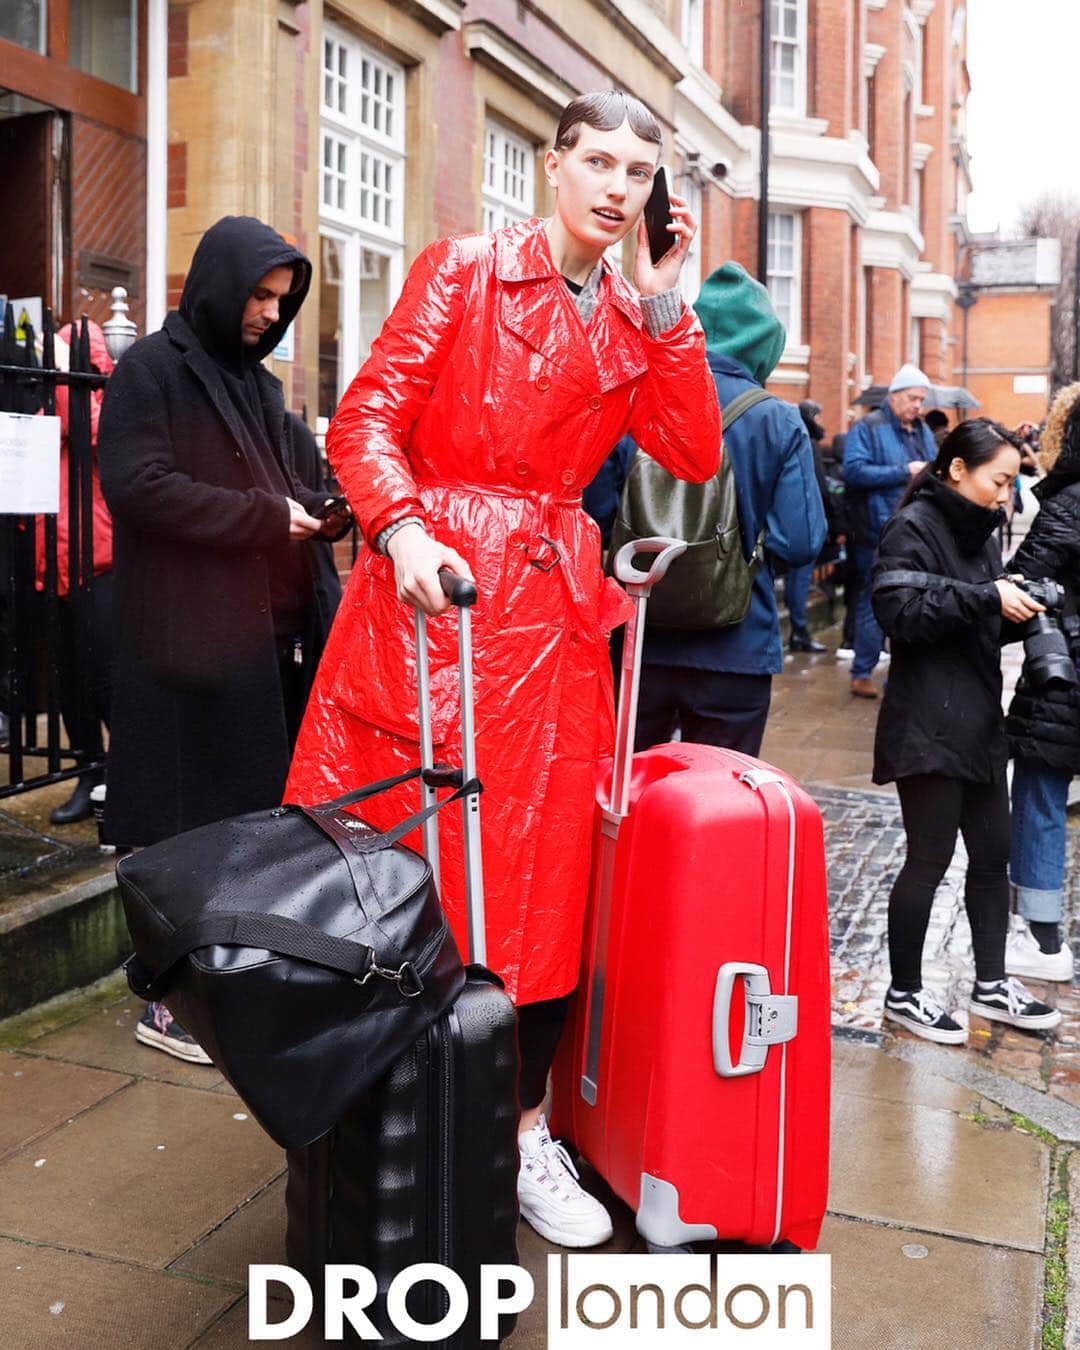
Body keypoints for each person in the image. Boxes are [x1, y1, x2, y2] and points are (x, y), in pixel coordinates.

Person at [284, 90, 721, 1249]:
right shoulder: (464, 270)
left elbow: (693, 446)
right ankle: (385, 1112)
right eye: (600, 163)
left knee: (546, 886)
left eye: (640, 171)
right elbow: (366, 415)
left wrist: (670, 308)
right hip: (436, 608)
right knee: (409, 867)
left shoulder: (635, 316)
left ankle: (524, 1131)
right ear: (553, 165)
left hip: (556, 612)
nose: (620, 189)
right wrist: (403, 526)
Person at [99, 216, 350, 1062]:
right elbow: (138, 487)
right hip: (176, 642)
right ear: (219, 281)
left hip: (255, 646)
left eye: (283, 301)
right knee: (176, 831)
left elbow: (296, 480)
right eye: (259, 295)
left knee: (239, 829)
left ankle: (217, 986)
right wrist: (260, 518)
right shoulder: (148, 371)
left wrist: (326, 506)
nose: (270, 315)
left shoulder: (261, 386)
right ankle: (165, 1000)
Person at [872, 419, 1062, 1043]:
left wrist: (1020, 609)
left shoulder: (981, 532)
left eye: (1011, 483)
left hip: (978, 716)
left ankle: (991, 981)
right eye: (998, 480)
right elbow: (899, 612)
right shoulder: (914, 525)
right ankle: (904, 993)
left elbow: (973, 616)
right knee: (928, 860)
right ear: (958, 469)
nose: (1006, 495)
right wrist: (988, 597)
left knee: (992, 856)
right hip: (926, 720)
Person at [588, 262, 826, 755]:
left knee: (624, 797)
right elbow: (801, 542)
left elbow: (592, 513)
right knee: (717, 803)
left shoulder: (636, 399)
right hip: (736, 650)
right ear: (765, 347)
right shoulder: (778, 421)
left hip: (637, 642)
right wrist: (735, 563)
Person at [1004, 383, 1080, 984]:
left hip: (1067, 676)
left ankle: (1042, 941)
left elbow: (1020, 585)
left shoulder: (1070, 503)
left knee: (1041, 795)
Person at [34, 320, 115, 824]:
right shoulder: (55, 407)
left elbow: (85, 426)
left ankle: (124, 779)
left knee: (106, 681)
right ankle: (91, 772)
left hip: (101, 564)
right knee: (69, 684)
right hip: (53, 567)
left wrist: (66, 373)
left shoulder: (104, 408)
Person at [843, 365, 937, 697]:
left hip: (915, 528)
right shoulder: (868, 427)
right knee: (873, 599)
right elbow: (853, 471)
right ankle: (862, 671)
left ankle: (900, 675)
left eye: (921, 400)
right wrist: (903, 471)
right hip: (876, 529)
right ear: (894, 396)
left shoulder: (922, 430)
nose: (917, 406)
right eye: (912, 398)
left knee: (908, 600)